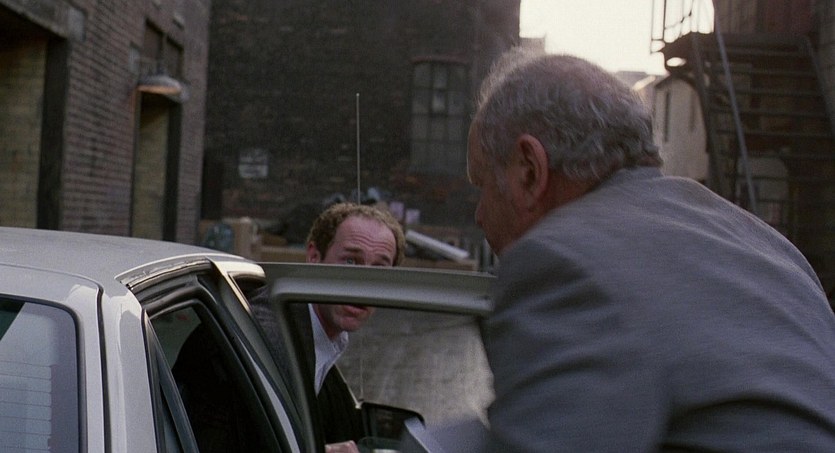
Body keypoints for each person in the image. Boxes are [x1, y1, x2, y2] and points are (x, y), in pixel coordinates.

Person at [466, 48, 835, 452]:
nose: (480, 214)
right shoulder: (773, 250)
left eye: (482, 183)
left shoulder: (561, 264)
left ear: (529, 169)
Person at [249, 202, 405, 453]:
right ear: (314, 258)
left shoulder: (317, 334)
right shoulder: (274, 339)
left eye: (379, 269)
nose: (362, 286)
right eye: (350, 262)